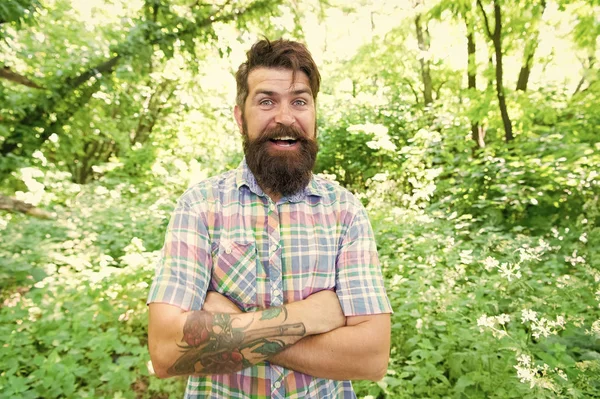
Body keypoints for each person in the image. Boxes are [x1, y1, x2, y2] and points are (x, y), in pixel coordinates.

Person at [147, 38, 392, 399]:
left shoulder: (346, 213)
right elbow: (167, 350)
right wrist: (312, 316)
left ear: (314, 113)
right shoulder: (199, 207)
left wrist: (228, 325)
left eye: (299, 101)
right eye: (266, 101)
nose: (285, 117)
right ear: (239, 116)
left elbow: (371, 357)